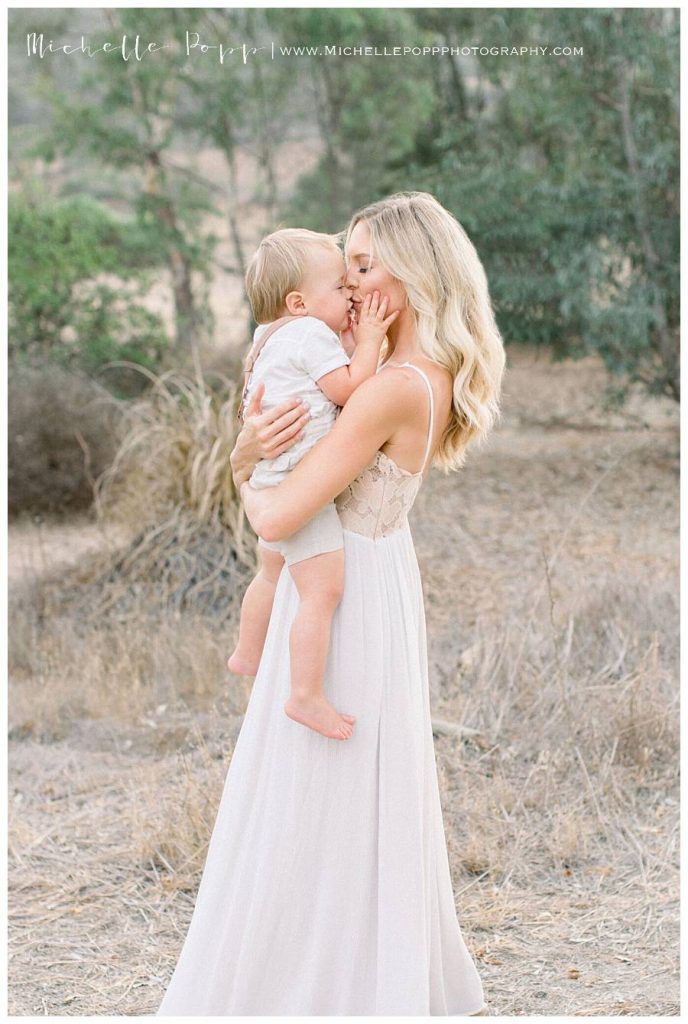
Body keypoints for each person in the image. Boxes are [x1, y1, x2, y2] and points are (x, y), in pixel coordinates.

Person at [156, 192, 504, 1016]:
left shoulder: (392, 388)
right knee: (335, 790)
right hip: (365, 579)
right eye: (345, 265)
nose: (347, 284)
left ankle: (313, 982)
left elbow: (276, 515)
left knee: (314, 790)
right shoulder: (410, 373)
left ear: (412, 276)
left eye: (362, 265)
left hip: (343, 599)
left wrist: (242, 462)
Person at [227, 228, 398, 741]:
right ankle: (305, 694)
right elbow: (346, 387)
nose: (351, 293)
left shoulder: (270, 336)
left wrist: (347, 338)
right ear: (299, 302)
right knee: (322, 592)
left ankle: (247, 651)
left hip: (271, 472)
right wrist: (366, 342)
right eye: (340, 287)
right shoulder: (310, 334)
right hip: (302, 482)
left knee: (270, 571)